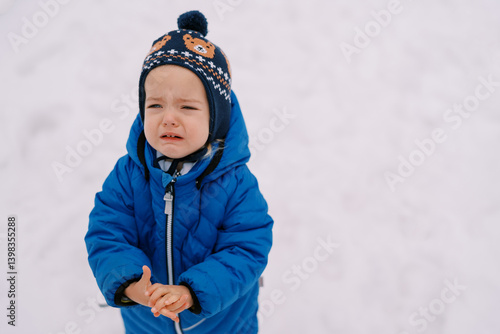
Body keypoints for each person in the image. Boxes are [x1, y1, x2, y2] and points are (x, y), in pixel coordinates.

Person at [84, 10, 273, 334]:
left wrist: (192, 292)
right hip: (149, 319)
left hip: (222, 322)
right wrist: (130, 285)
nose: (168, 118)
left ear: (216, 118)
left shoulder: (236, 184)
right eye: (155, 105)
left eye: (187, 107)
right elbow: (107, 233)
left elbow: (247, 248)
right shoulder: (129, 175)